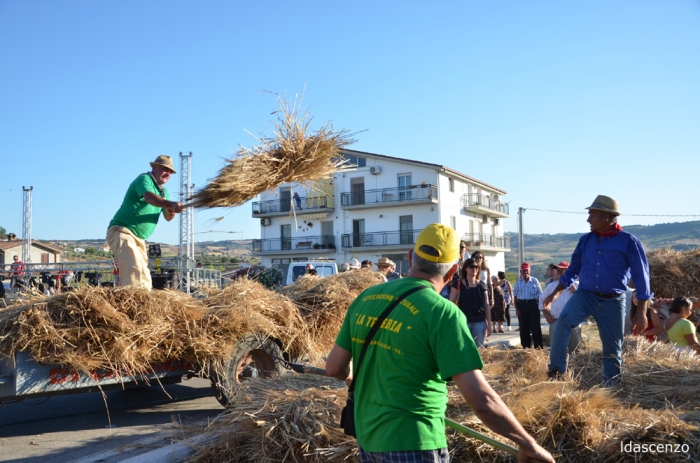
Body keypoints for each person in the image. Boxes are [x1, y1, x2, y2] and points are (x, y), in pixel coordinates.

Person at [325, 224, 554, 463]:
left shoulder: (366, 297)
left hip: (367, 439)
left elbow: (334, 368)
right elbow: (482, 401)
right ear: (454, 269)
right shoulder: (442, 313)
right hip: (415, 442)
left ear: (411, 257)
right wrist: (528, 444)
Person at [542, 195, 651, 384]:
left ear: (606, 217)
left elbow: (642, 278)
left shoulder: (629, 241)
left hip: (614, 300)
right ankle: (556, 371)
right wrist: (554, 294)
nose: (588, 219)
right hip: (585, 295)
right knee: (563, 322)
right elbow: (572, 271)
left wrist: (641, 312)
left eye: (592, 215)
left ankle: (612, 386)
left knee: (613, 347)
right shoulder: (586, 241)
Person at [107, 155, 184, 290]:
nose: (167, 173)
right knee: (133, 269)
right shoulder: (144, 179)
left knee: (145, 278)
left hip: (139, 239)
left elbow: (167, 217)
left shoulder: (164, 192)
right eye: (164, 169)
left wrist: (173, 209)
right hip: (122, 231)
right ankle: (132, 304)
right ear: (154, 167)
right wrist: (169, 203)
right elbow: (149, 198)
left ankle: (142, 303)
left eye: (170, 171)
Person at [539, 262, 581, 354]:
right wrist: (546, 314)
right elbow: (541, 300)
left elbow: (584, 300)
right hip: (556, 321)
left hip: (573, 322)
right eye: (558, 271)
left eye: (563, 271)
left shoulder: (578, 285)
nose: (560, 273)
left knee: (575, 351)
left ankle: (572, 367)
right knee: (557, 351)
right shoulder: (551, 286)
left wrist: (573, 290)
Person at [450, 258, 491, 347]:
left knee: (479, 350)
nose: (474, 269)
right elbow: (450, 303)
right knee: (464, 349)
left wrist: (489, 324)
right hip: (463, 322)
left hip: (479, 322)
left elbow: (487, 305)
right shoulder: (457, 283)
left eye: (476, 267)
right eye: (471, 266)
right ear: (465, 268)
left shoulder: (482, 285)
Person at [513, 262, 543, 349]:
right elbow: (515, 297)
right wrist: (517, 308)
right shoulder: (518, 283)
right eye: (523, 271)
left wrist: (540, 304)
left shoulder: (535, 281)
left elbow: (540, 294)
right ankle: (526, 346)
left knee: (535, 326)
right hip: (522, 305)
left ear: (530, 271)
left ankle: (538, 347)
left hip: (533, 303)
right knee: (523, 326)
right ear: (520, 272)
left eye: (527, 271)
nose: (525, 273)